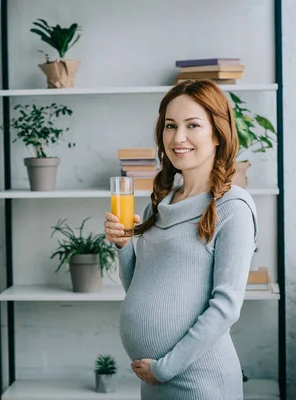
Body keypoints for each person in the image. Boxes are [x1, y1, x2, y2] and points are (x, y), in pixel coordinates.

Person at [103, 79, 257, 399]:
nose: (179, 137)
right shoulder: (159, 203)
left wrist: (165, 367)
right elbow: (138, 286)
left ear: (217, 133)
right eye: (170, 125)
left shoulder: (233, 207)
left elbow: (226, 307)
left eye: (193, 125)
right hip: (154, 380)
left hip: (199, 382)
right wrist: (124, 245)